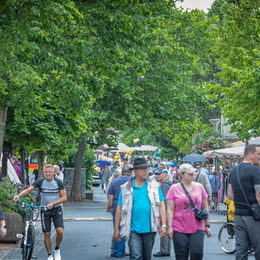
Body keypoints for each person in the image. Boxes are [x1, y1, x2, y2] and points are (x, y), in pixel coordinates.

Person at [114, 157, 167, 260]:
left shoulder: (154, 186)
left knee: (147, 257)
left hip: (150, 229)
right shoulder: (126, 188)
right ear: (135, 170)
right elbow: (119, 209)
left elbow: (162, 205)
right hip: (132, 229)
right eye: (142, 169)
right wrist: (116, 229)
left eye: (146, 168)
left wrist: (164, 225)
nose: (145, 171)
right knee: (136, 256)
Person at [13, 164, 67, 260]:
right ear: (44, 173)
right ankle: (50, 255)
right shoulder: (40, 181)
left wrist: (53, 203)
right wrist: (18, 196)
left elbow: (64, 198)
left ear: (54, 173)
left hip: (56, 209)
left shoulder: (58, 182)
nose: (47, 174)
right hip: (44, 210)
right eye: (46, 172)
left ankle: (57, 249)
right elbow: (29, 189)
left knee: (60, 231)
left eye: (49, 172)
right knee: (47, 233)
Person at [166, 163, 211, 260]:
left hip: (197, 226)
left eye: (193, 173)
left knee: (197, 254)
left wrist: (207, 225)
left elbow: (205, 207)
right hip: (179, 227)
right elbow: (170, 209)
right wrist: (169, 227)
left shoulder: (200, 187)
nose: (192, 176)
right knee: (181, 256)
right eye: (190, 174)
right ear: (182, 174)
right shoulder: (174, 189)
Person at [227, 144, 260, 260]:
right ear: (250, 155)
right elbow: (259, 195)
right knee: (258, 247)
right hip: (253, 216)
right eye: (258, 154)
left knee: (241, 249)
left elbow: (230, 195)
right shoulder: (256, 170)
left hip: (238, 215)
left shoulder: (234, 170)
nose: (259, 157)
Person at [107, 165, 133, 258]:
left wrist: (109, 206)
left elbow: (110, 196)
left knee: (117, 228)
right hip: (130, 208)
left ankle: (118, 251)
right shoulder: (133, 182)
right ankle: (133, 250)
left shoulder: (115, 181)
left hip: (117, 208)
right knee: (131, 229)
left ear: (122, 172)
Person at [153, 168, 173, 257]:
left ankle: (163, 250)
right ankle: (167, 250)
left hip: (165, 210)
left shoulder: (164, 185)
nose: (157, 175)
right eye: (156, 174)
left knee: (163, 228)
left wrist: (162, 212)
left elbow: (164, 200)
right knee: (168, 229)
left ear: (165, 174)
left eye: (159, 174)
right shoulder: (168, 184)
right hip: (169, 210)